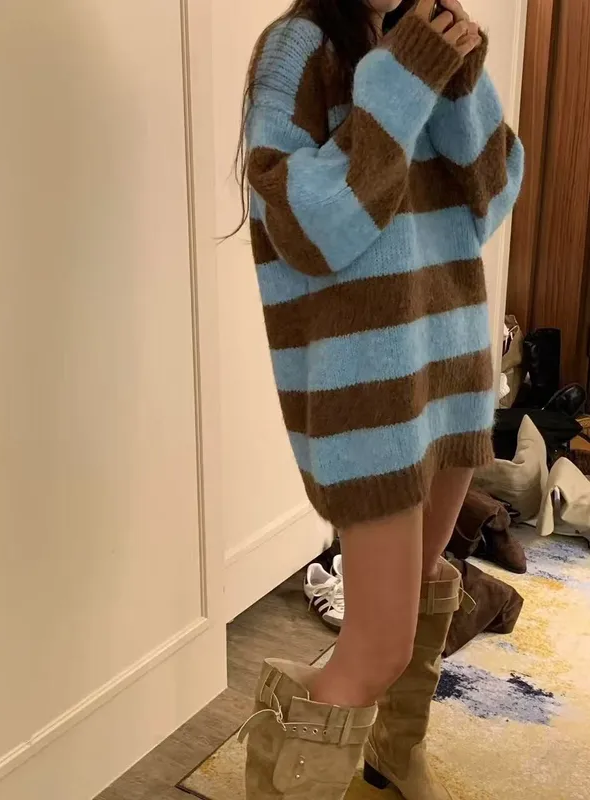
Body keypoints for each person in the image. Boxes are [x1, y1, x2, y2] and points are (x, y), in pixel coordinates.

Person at [235, 1, 524, 798]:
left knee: (426, 587)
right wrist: (405, 77)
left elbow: (492, 195)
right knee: (377, 647)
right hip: (368, 399)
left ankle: (395, 758)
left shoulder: (425, 34)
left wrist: (460, 77)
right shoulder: (298, 49)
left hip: (450, 367)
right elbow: (311, 232)